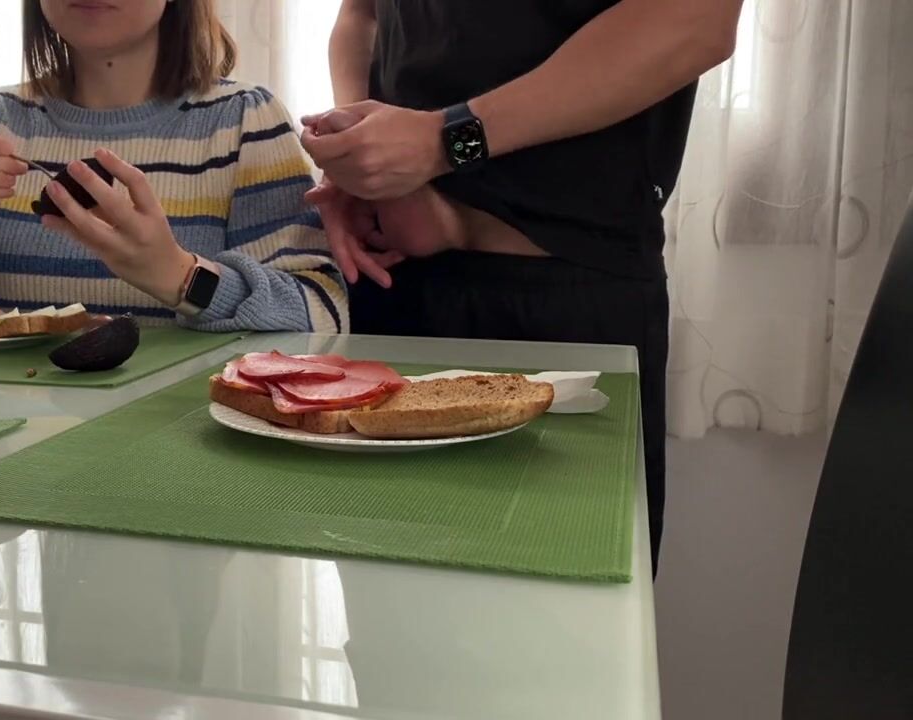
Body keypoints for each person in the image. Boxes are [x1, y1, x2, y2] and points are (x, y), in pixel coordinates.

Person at [301, 0, 745, 569]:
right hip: (390, 287)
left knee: (571, 605)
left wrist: (443, 142)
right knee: (383, 604)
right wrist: (358, 158)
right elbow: (360, 16)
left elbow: (696, 22)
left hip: (567, 304)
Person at [0, 0, 346, 334]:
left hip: (194, 446)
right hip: (19, 444)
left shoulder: (244, 121)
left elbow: (322, 313)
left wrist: (180, 277)